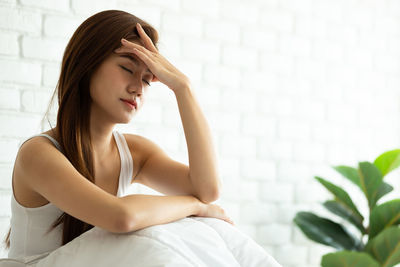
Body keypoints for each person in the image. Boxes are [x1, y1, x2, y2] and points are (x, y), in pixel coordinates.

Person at [4, 9, 234, 260]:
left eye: (147, 80)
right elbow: (121, 217)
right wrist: (196, 207)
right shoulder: (38, 154)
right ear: (87, 65)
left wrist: (183, 87)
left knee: (207, 235)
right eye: (127, 68)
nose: (137, 88)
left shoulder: (135, 153)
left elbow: (208, 189)